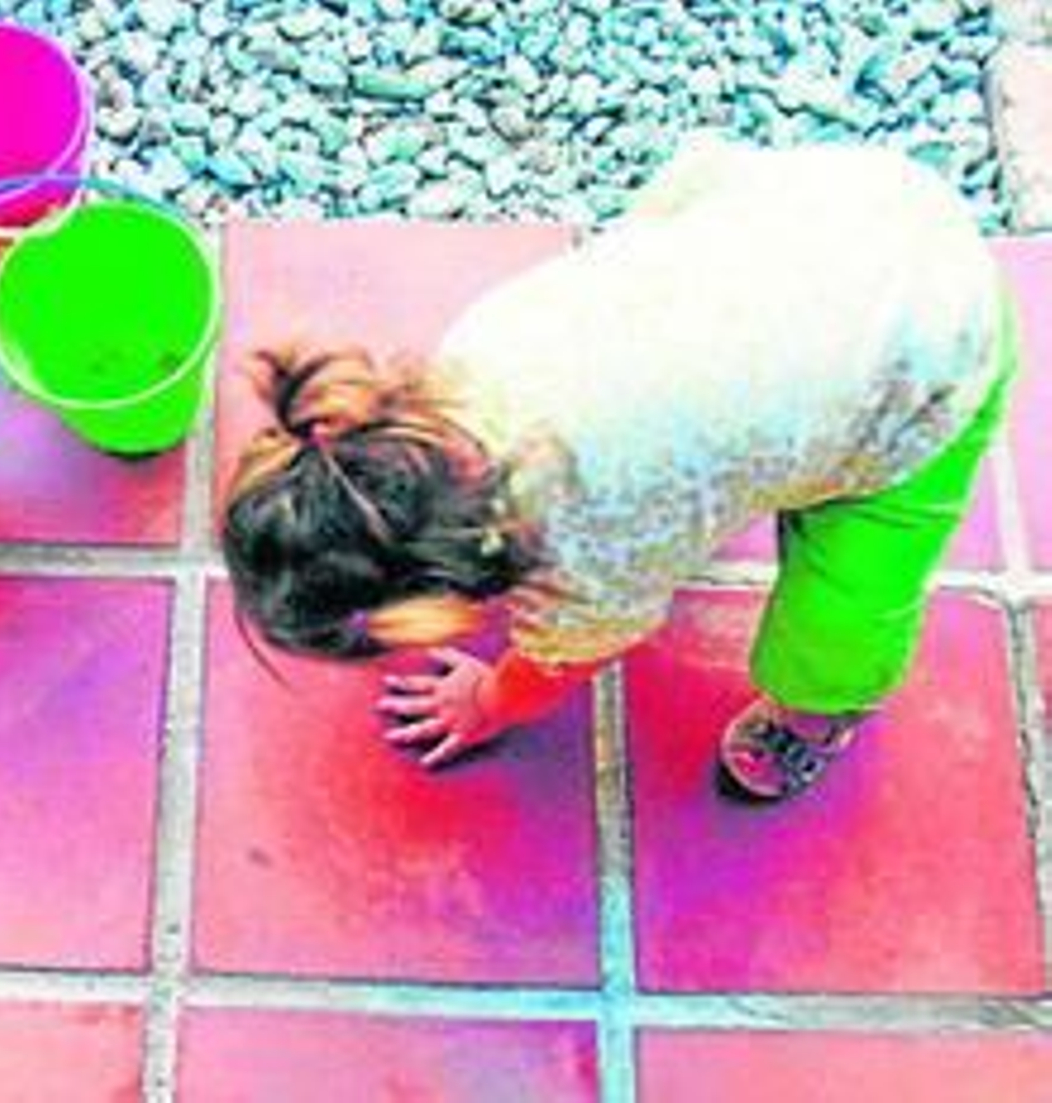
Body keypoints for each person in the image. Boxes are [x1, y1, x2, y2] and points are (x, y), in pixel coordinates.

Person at [220, 137, 1021, 802]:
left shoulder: (585, 556)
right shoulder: (471, 351)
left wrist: (493, 697)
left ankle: (819, 709)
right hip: (842, 205)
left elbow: (570, 653)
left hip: (931, 356)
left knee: (841, 624)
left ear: (439, 592)